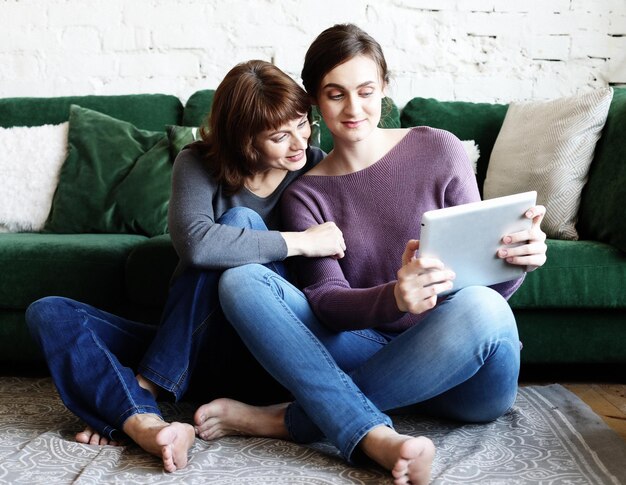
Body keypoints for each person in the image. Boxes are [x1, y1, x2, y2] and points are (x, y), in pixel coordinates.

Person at [192, 24, 548, 485]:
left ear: (384, 87)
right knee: (241, 281)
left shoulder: (438, 148)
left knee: (486, 307)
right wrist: (393, 297)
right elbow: (326, 301)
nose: (354, 108)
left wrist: (519, 258)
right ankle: (364, 418)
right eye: (335, 94)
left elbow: (484, 281)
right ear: (315, 103)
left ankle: (291, 420)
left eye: (366, 91)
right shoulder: (305, 195)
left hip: (466, 374)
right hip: (367, 349)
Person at [25, 60, 346, 472]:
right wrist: (301, 242)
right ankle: (144, 422)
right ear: (244, 140)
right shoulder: (198, 162)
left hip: (260, 354)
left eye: (303, 124)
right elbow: (196, 245)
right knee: (49, 311)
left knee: (239, 225)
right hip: (190, 343)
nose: (299, 143)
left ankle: (136, 395)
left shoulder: (316, 166)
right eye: (280, 136)